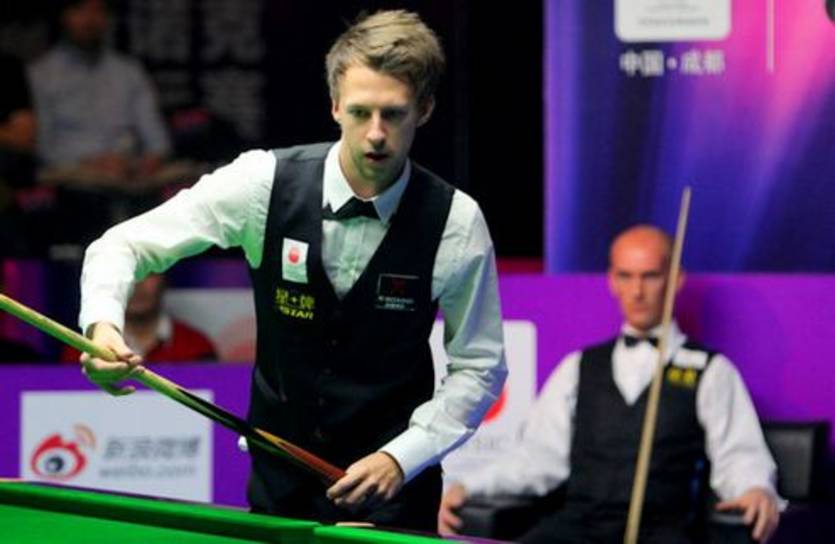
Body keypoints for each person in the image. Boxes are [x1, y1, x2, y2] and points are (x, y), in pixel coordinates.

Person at [76, 9, 506, 532]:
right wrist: (102, 328)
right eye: (360, 112)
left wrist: (402, 456)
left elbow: (480, 365)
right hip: (280, 486)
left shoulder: (455, 221)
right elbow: (122, 245)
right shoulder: (263, 184)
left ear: (425, 109)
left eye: (393, 114)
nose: (375, 134)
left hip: (394, 496)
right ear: (334, 105)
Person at [439, 225, 781, 543]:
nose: (637, 291)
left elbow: (738, 455)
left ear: (675, 279)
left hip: (664, 533)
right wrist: (467, 486)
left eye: (650, 276)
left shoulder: (711, 371)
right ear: (612, 281)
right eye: (625, 276)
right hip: (580, 529)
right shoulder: (578, 367)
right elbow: (537, 459)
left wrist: (755, 488)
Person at [28, 0, 170, 178]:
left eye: (98, 10)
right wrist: (91, 163)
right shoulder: (40, 74)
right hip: (71, 175)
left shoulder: (129, 71)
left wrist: (151, 160)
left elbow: (157, 140)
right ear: (63, 16)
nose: (90, 19)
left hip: (132, 172)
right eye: (80, 9)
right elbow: (43, 147)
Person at [61, 273, 217, 363]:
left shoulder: (197, 347)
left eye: (148, 273)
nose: (137, 284)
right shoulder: (82, 350)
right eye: (126, 276)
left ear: (164, 279)